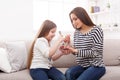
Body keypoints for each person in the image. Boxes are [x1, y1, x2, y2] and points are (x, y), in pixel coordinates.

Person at [64, 7, 106, 80]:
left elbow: (96, 52)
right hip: (82, 66)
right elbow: (77, 51)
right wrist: (69, 46)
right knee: (68, 73)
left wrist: (76, 51)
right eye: (72, 20)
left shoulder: (96, 30)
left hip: (96, 66)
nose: (73, 22)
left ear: (82, 16)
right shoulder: (77, 32)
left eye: (75, 19)